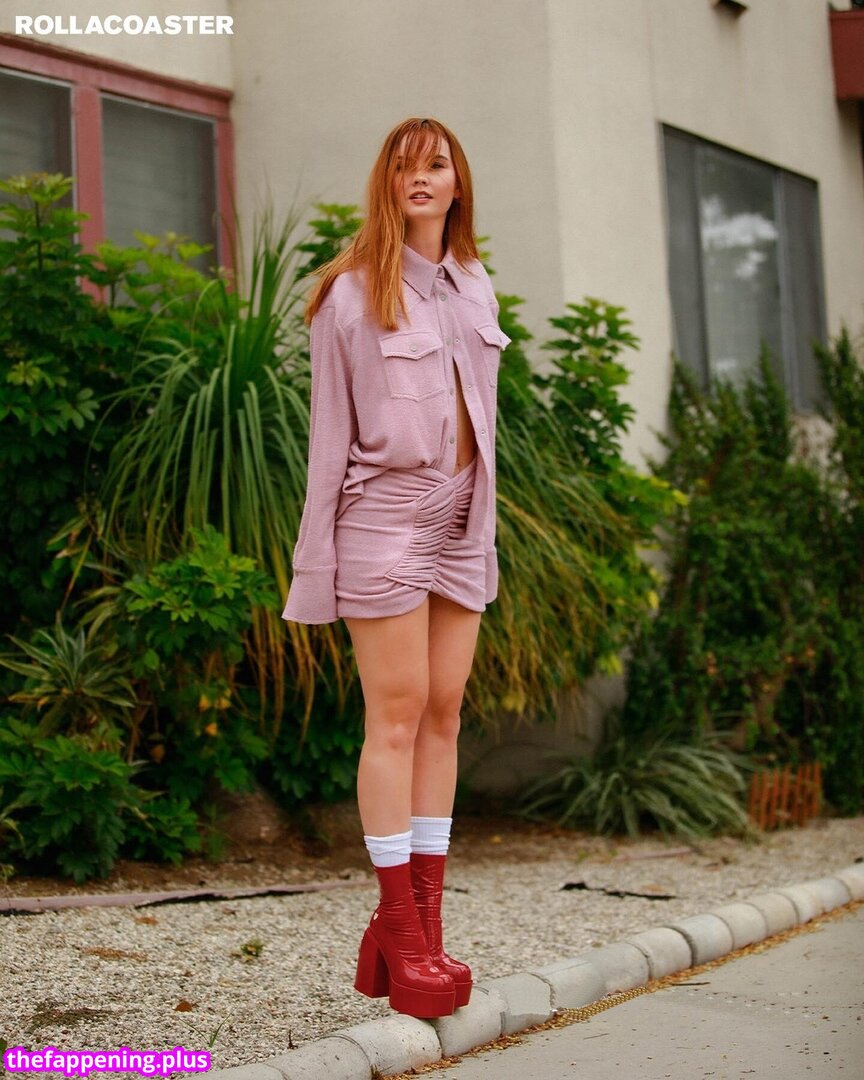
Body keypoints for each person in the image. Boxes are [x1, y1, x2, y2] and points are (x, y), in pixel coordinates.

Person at [281, 117, 510, 1019]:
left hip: (463, 518)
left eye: (438, 164)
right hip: (384, 518)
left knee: (445, 711)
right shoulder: (349, 293)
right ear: (387, 183)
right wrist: (316, 566)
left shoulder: (474, 285)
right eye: (406, 165)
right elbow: (327, 442)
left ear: (458, 184)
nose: (422, 177)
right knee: (398, 715)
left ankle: (422, 928)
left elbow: (484, 418)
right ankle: (401, 934)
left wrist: (481, 518)